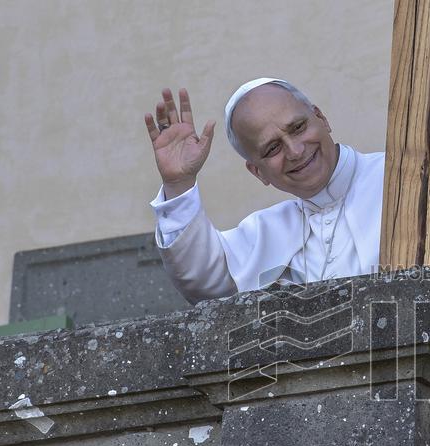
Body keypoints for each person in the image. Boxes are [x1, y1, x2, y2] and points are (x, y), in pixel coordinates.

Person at [143, 79, 385, 303]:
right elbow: (205, 281)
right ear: (258, 172)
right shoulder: (267, 230)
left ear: (321, 118)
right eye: (272, 148)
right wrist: (179, 183)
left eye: (298, 128)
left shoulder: (393, 174)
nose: (295, 151)